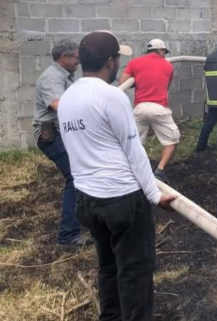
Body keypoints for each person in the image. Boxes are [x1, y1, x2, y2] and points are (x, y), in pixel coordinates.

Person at [58, 30, 176, 321]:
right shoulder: (111, 95)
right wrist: (153, 195)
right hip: (121, 198)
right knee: (135, 271)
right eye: (118, 61)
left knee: (109, 267)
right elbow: (133, 150)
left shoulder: (68, 96)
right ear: (110, 62)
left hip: (88, 200)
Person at [33, 39, 87, 249]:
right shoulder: (52, 77)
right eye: (76, 57)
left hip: (62, 134)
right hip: (51, 136)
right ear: (63, 57)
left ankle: (81, 225)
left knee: (81, 175)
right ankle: (67, 237)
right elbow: (59, 104)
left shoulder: (66, 76)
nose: (78, 62)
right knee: (74, 177)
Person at [118, 38, 180, 184]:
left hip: (139, 108)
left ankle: (134, 172)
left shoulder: (135, 63)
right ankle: (160, 171)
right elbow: (166, 86)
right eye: (164, 51)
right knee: (171, 142)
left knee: (134, 143)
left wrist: (138, 80)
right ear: (160, 50)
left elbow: (122, 83)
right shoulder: (167, 66)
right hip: (159, 108)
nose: (165, 54)